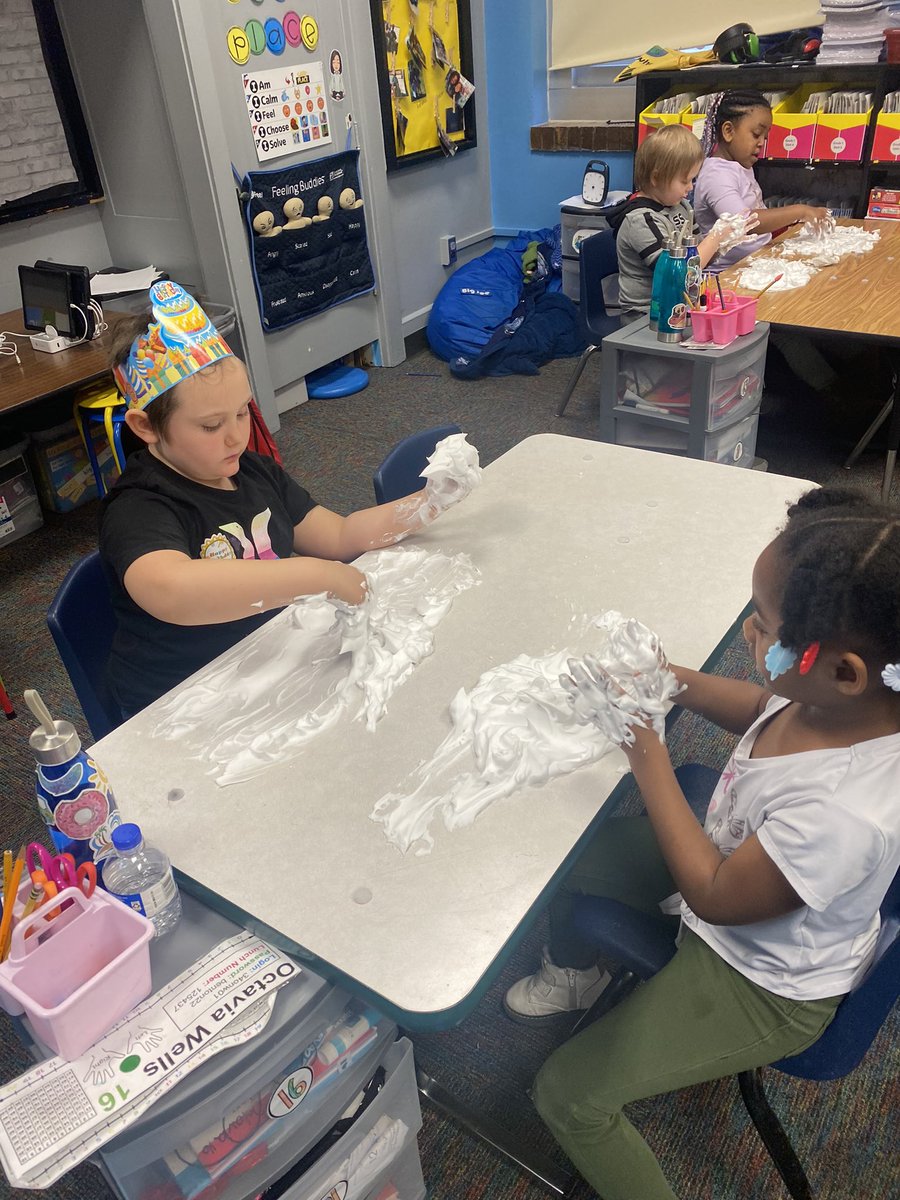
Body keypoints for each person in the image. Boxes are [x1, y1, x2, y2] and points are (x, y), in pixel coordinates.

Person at [505, 486, 900, 1200]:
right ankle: (577, 975)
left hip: (763, 980)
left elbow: (715, 896)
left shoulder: (847, 814)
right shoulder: (843, 700)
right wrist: (671, 683)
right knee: (558, 859)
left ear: (844, 671)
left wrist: (646, 750)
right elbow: (761, 707)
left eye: (766, 627)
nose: (751, 631)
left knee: (568, 1094)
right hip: (731, 864)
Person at [100, 282, 471, 718]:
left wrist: (429, 501)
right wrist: (317, 576)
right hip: (180, 699)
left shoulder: (252, 472)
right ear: (146, 427)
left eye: (242, 412)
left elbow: (339, 535)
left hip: (262, 662)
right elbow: (170, 589)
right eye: (211, 426)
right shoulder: (139, 506)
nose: (236, 436)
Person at [693, 89, 829, 271]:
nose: (761, 143)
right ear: (728, 131)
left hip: (757, 260)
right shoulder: (716, 175)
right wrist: (800, 211)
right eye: (756, 134)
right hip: (727, 273)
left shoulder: (740, 165)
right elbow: (744, 223)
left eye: (765, 137)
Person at [610, 125, 733, 320]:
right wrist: (715, 238)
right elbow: (676, 277)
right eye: (684, 181)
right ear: (657, 177)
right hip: (646, 314)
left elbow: (698, 252)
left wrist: (726, 241)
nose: (690, 188)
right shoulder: (641, 220)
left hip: (680, 304)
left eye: (692, 179)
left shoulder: (681, 206)